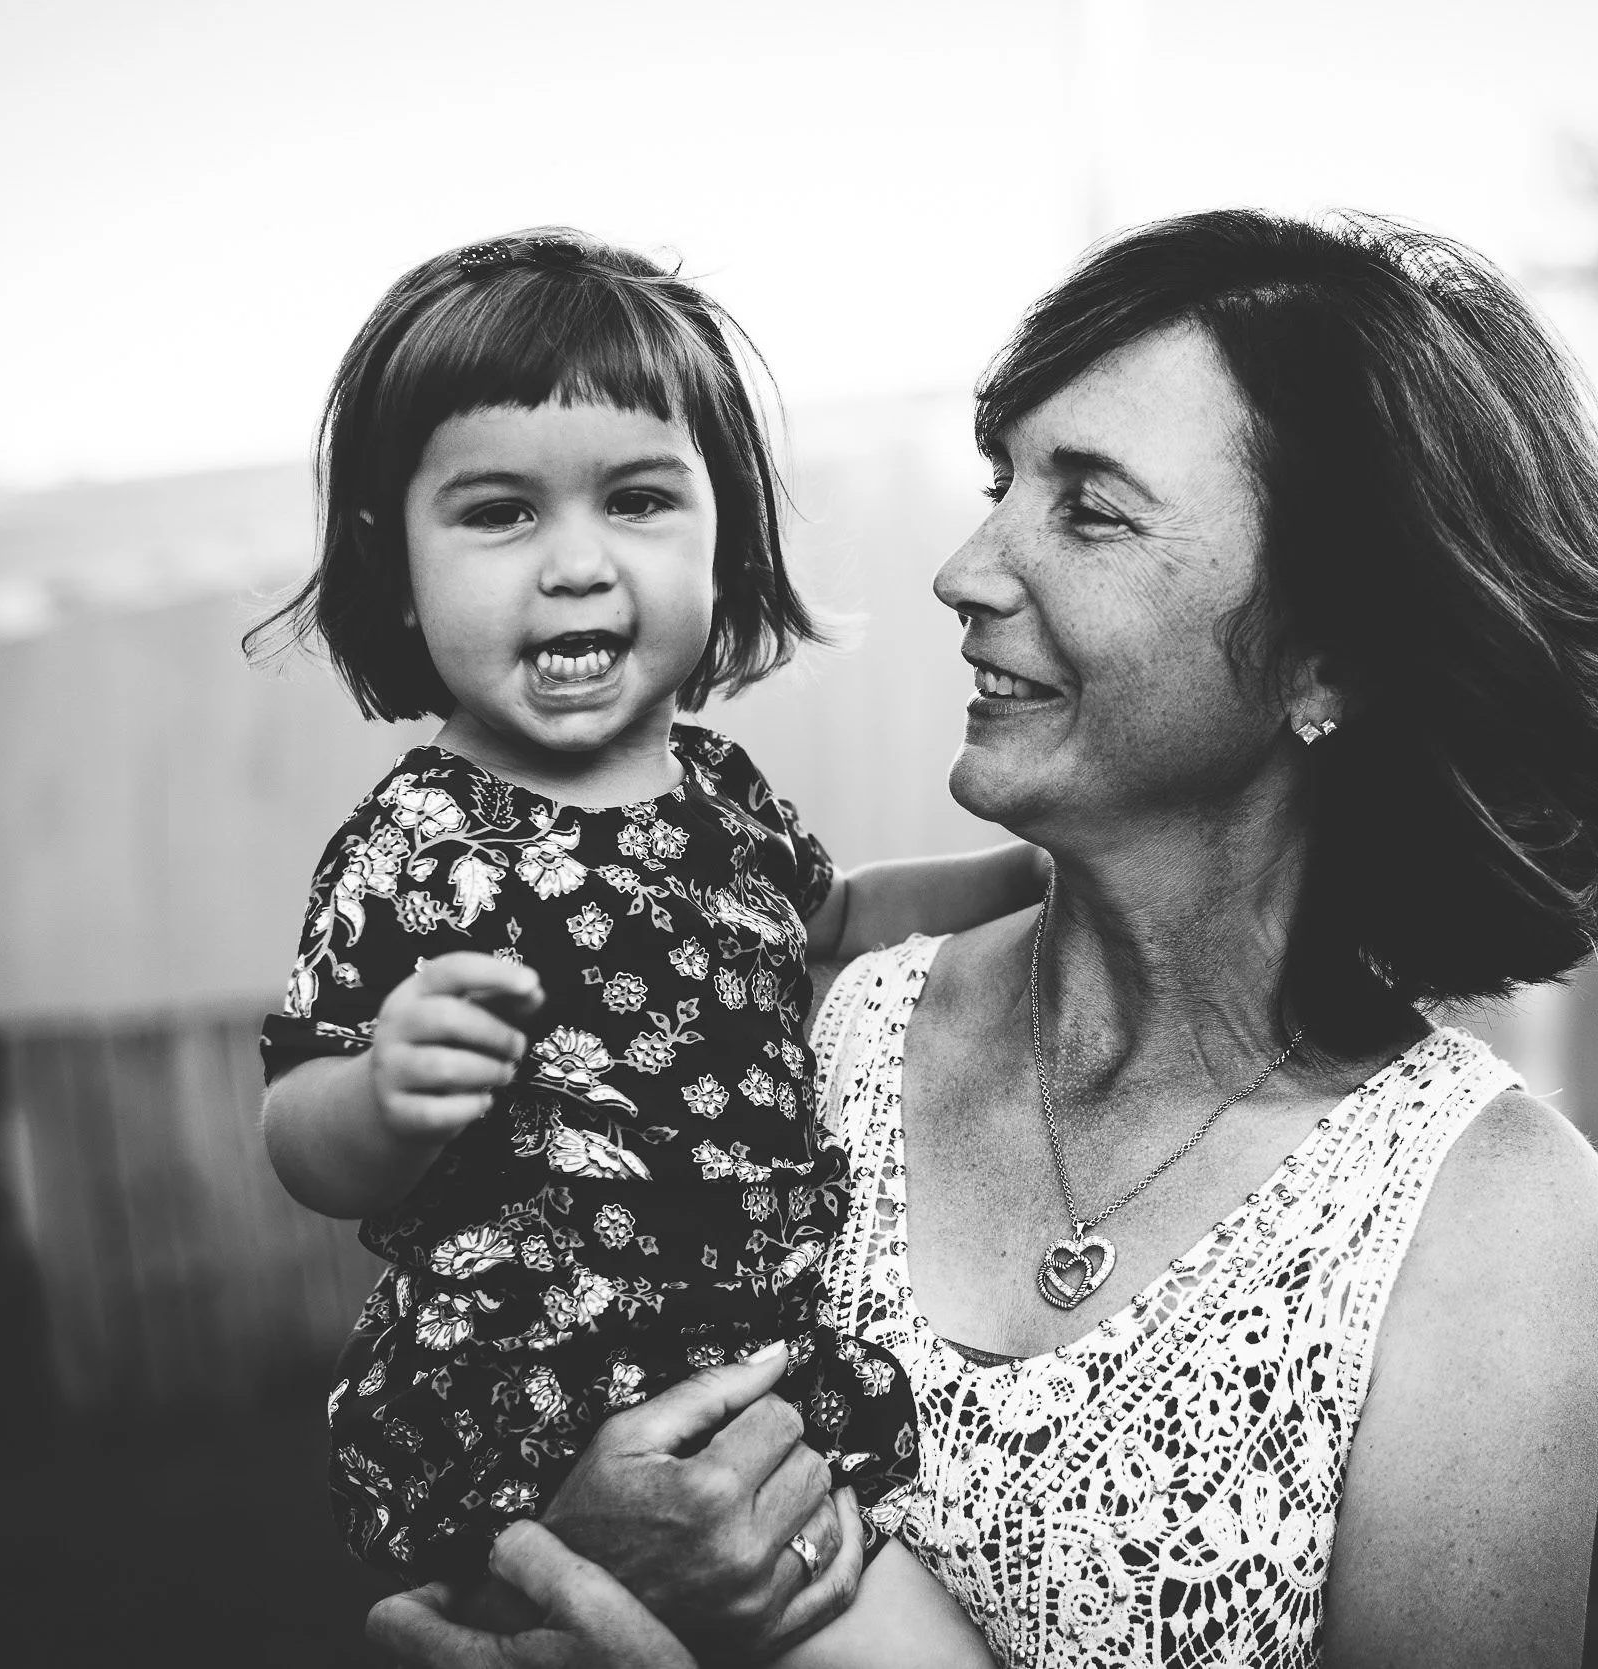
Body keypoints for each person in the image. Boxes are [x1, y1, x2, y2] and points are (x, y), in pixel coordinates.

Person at [369, 207, 1598, 1668]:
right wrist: (542, 1574)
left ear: (1336, 652)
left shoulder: (1476, 1206)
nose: (967, 568)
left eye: (1092, 509)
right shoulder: (789, 1020)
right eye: (1005, 484)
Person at [250, 228, 1030, 1664]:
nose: (576, 565)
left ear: (723, 531)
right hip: (543, 1392)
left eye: (639, 499)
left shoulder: (721, 793)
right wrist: (381, 1097)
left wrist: (1024, 874)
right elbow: (299, 1122)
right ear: (394, 562)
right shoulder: (421, 842)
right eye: (499, 513)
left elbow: (834, 923)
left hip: (744, 1351)